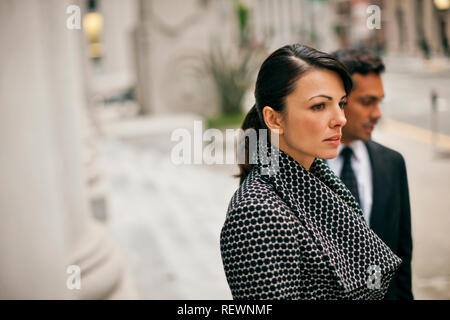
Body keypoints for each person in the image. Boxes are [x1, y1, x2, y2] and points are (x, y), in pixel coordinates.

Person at [220, 44, 401, 300]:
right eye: (319, 106)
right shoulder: (256, 211)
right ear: (274, 119)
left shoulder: (320, 181)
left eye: (341, 103)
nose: (341, 118)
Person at [328, 49, 414, 300]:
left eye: (379, 101)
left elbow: (401, 259)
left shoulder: (393, 163)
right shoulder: (300, 167)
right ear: (339, 101)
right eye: (367, 102)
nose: (377, 113)